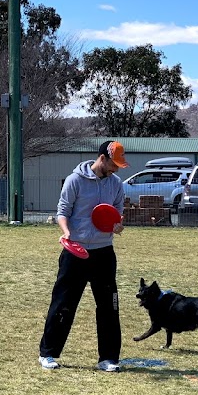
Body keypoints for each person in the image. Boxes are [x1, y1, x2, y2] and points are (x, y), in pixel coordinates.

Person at [39, 140, 129, 372]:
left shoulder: (116, 184)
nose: (117, 168)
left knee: (109, 306)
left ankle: (108, 358)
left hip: (104, 253)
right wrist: (67, 232)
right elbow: (62, 211)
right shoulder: (74, 180)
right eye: (114, 163)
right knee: (64, 304)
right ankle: (48, 354)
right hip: (75, 252)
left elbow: (117, 214)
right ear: (102, 158)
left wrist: (118, 226)